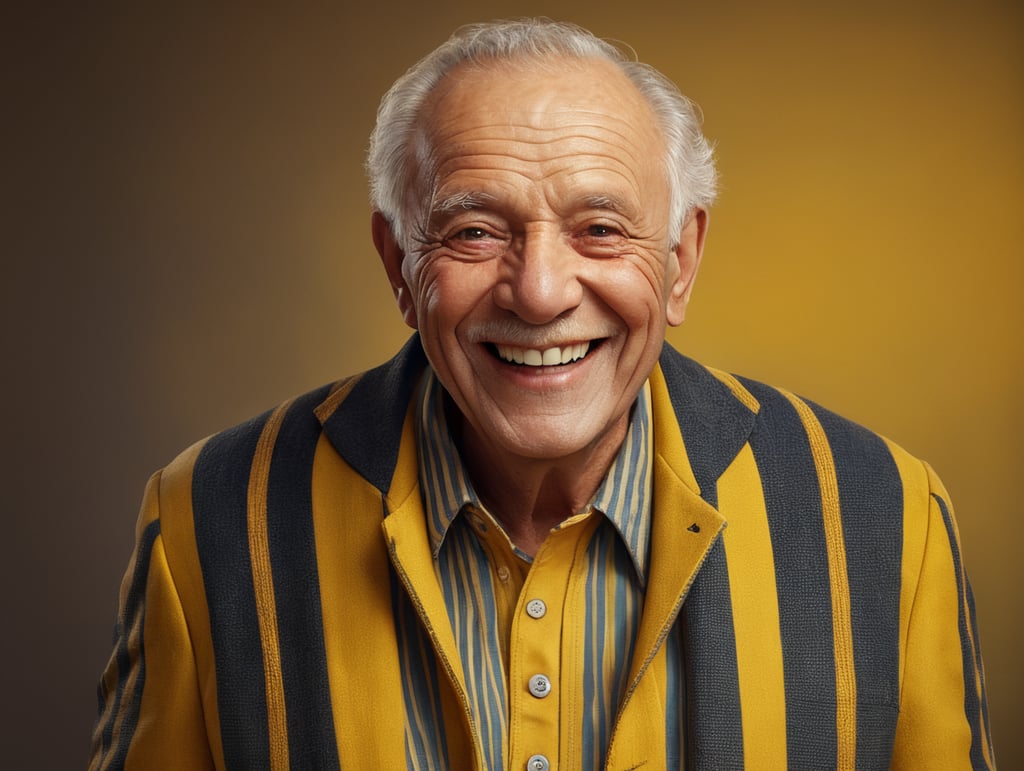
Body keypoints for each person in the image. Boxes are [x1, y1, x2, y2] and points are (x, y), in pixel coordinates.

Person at [90, 18, 994, 771]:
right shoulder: (206, 519)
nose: (540, 291)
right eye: (475, 230)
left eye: (600, 228)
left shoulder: (887, 518)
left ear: (680, 263)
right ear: (397, 265)